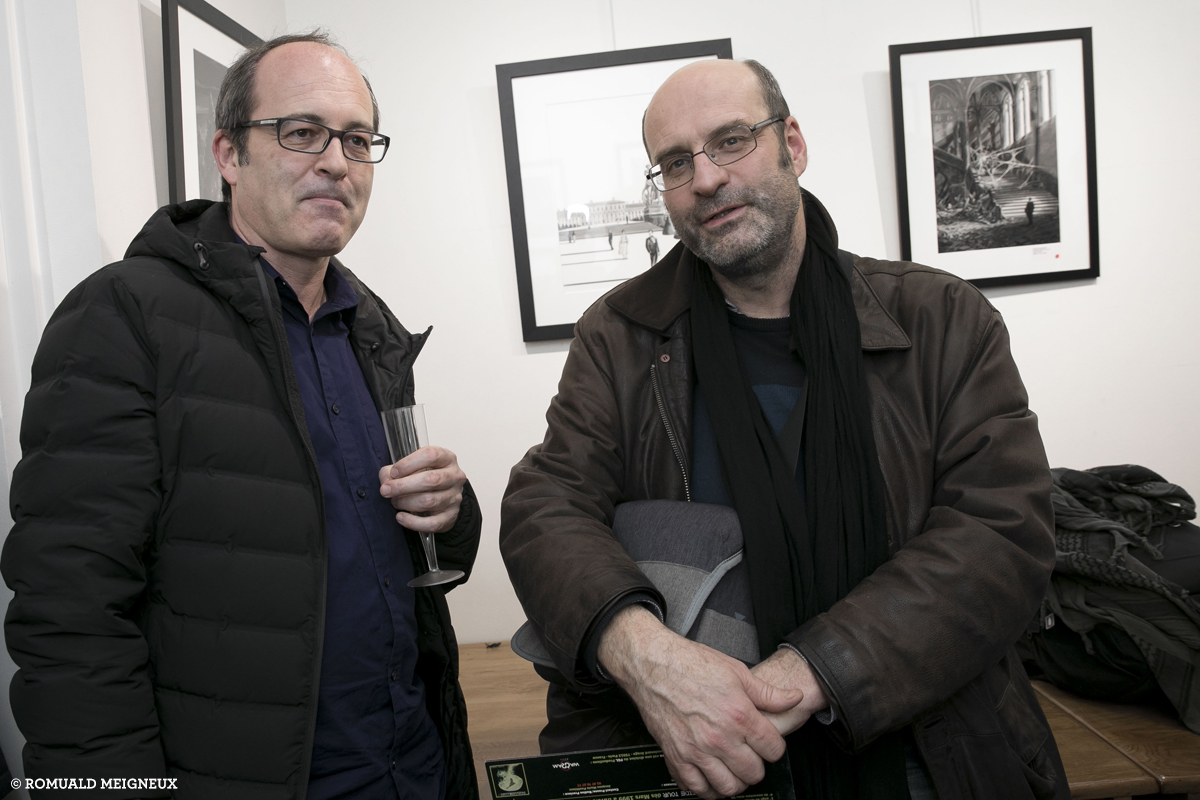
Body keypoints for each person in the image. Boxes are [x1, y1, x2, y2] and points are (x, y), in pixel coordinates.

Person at [501, 58, 1067, 800]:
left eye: (731, 140)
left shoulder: (942, 319)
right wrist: (648, 659)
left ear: (791, 145)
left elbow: (1001, 533)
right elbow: (546, 505)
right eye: (676, 163)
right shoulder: (621, 335)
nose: (706, 179)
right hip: (702, 759)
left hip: (926, 751)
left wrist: (808, 673)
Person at [3, 32, 481, 800]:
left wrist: (452, 514)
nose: (337, 161)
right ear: (229, 155)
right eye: (302, 132)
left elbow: (374, 555)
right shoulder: (125, 315)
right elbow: (68, 614)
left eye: (358, 140)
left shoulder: (370, 327)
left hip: (413, 772)